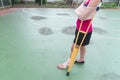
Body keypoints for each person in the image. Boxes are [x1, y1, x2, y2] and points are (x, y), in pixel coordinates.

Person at [57, 0, 101, 69]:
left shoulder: (95, 0)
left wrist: (79, 11)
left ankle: (67, 64)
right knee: (82, 45)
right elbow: (81, 11)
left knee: (74, 47)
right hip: (81, 26)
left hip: (84, 29)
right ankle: (81, 59)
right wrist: (80, 11)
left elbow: (82, 16)